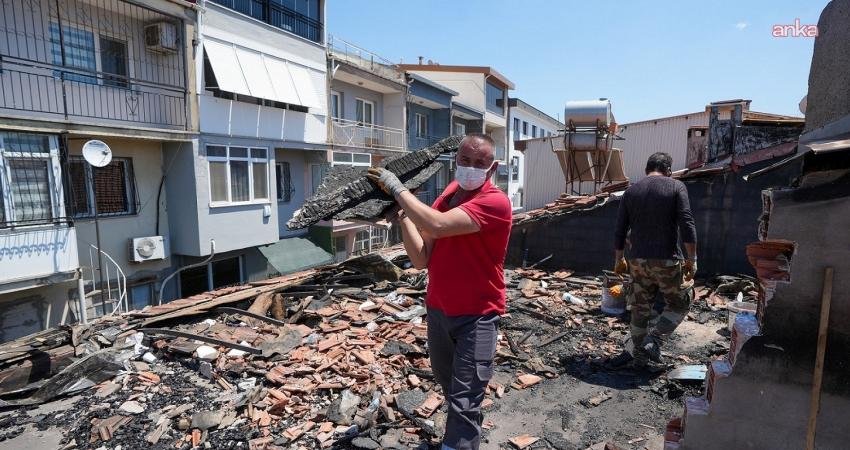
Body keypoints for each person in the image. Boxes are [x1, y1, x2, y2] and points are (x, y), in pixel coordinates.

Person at [367, 133, 512, 450]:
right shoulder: (448, 195)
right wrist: (401, 217)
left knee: (465, 398)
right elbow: (421, 259)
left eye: (479, 163)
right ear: (456, 161)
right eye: (465, 160)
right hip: (439, 312)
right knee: (451, 389)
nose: (471, 167)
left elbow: (438, 225)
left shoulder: (495, 202)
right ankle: (462, 438)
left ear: (493, 167)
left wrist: (397, 188)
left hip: (478, 316)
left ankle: (458, 444)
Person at [612, 152, 697, 368]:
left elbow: (620, 229)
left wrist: (619, 259)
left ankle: (639, 357)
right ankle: (655, 340)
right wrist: (692, 258)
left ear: (646, 170)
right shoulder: (676, 187)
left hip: (637, 262)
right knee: (681, 302)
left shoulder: (631, 191)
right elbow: (687, 223)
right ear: (668, 170)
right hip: (667, 260)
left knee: (640, 309)